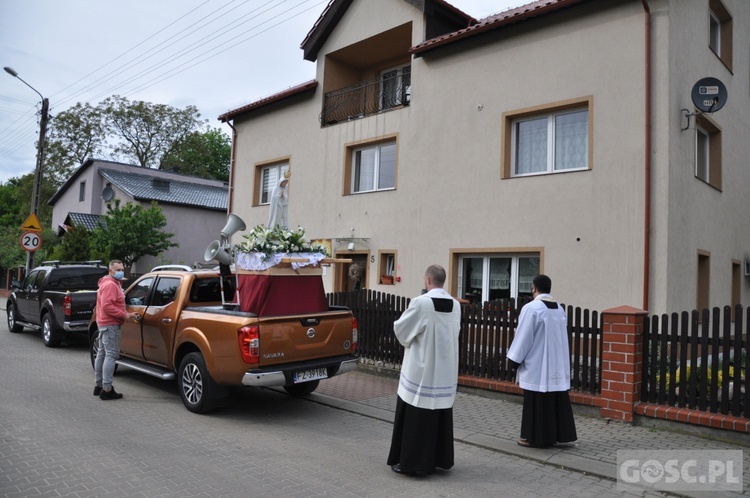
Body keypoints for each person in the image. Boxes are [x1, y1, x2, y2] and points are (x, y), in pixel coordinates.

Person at [387, 265, 461, 476]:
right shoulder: (456, 305)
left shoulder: (421, 303)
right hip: (444, 372)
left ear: (428, 280)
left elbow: (402, 330)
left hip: (422, 372)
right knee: (439, 414)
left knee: (416, 418)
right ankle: (439, 459)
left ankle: (413, 464)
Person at [506, 274, 577, 448]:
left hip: (538, 364)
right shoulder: (559, 309)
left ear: (534, 288)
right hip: (556, 364)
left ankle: (534, 438)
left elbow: (524, 336)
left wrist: (513, 359)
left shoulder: (532, 308)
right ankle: (558, 435)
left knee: (536, 402)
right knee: (555, 400)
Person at [93, 259, 137, 400]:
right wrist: (126, 315)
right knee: (110, 355)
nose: (120, 272)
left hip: (104, 323)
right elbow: (107, 306)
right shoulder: (111, 285)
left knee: (102, 354)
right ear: (110, 270)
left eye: (122, 269)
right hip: (110, 324)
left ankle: (99, 385)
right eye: (117, 270)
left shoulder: (107, 283)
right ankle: (107, 389)